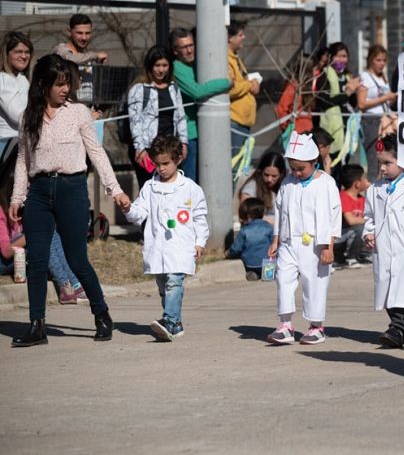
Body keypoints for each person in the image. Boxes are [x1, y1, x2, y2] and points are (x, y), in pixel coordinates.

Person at [10, 54, 130, 347]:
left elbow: (96, 153)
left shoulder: (78, 112)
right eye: (59, 84)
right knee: (37, 261)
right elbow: (24, 158)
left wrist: (115, 190)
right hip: (38, 192)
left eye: (68, 84)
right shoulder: (30, 115)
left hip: (71, 189)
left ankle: (101, 313)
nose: (65, 89)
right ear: (43, 84)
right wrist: (17, 196)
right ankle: (37, 325)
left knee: (77, 259)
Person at [123, 135, 208, 341]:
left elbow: (200, 217)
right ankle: (176, 324)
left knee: (174, 283)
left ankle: (169, 319)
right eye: (157, 164)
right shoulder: (150, 188)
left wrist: (199, 242)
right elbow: (139, 214)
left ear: (178, 159)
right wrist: (128, 208)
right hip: (158, 247)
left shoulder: (190, 188)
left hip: (181, 247)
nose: (161, 168)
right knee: (163, 286)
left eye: (165, 163)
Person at [266, 131, 341, 345]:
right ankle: (285, 324)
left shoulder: (325, 183)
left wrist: (329, 246)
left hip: (316, 244)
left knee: (314, 283)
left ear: (314, 161)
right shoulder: (287, 184)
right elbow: (280, 212)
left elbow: (332, 216)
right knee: (283, 279)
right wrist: (276, 239)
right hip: (289, 242)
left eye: (302, 169)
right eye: (293, 168)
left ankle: (316, 326)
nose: (297, 173)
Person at [363, 135, 404, 347]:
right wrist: (368, 233)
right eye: (380, 163)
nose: (382, 168)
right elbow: (369, 216)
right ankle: (401, 330)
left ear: (403, 162)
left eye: (388, 163)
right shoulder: (374, 189)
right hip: (384, 251)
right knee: (387, 292)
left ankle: (397, 329)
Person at [169, 27, 231, 182]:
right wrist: (226, 82)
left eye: (191, 45)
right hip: (189, 134)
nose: (189, 50)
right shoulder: (176, 68)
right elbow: (196, 91)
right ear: (175, 50)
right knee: (190, 179)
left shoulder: (198, 64)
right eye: (184, 47)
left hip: (206, 129)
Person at [127, 45, 188, 188]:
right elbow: (135, 121)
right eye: (157, 65)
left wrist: (184, 143)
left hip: (169, 148)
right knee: (150, 188)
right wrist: (140, 148)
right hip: (148, 149)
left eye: (165, 65)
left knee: (171, 188)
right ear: (150, 66)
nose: (161, 70)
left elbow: (180, 117)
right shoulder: (139, 89)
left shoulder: (174, 87)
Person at [316, 41, 360, 173]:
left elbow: (352, 103)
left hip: (347, 127)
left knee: (344, 166)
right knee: (332, 165)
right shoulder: (324, 75)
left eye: (344, 56)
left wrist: (353, 91)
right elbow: (325, 101)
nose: (342, 60)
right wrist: (346, 93)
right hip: (332, 128)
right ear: (331, 57)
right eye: (339, 56)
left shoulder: (347, 76)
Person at [357, 45, 397, 181]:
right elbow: (361, 104)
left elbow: (384, 103)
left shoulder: (383, 78)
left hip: (385, 120)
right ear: (370, 60)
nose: (382, 64)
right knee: (374, 159)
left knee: (386, 157)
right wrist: (385, 98)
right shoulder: (365, 77)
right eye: (378, 60)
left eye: (384, 60)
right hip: (371, 121)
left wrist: (391, 99)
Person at [52, 14, 108, 105]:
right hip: (67, 111)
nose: (84, 38)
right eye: (80, 33)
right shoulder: (61, 50)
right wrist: (95, 55)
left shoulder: (86, 57)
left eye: (87, 33)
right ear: (69, 32)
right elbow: (71, 59)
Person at [227, 20, 260, 159]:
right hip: (234, 121)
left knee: (241, 164)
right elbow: (230, 88)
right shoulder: (225, 59)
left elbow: (242, 81)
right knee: (233, 164)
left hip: (244, 121)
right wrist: (249, 84)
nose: (244, 38)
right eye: (240, 34)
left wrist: (254, 84)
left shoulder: (236, 58)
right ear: (230, 37)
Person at [0, 31, 33, 159]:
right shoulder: (3, 79)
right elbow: (19, 115)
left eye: (27, 52)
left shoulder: (21, 78)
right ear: (6, 54)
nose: (24, 56)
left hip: (19, 144)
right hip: (7, 146)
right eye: (18, 52)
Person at [226, 197, 273, 281]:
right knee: (271, 267)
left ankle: (254, 274)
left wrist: (229, 253)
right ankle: (268, 275)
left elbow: (236, 248)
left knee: (252, 269)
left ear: (248, 216)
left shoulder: (244, 230)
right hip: (268, 263)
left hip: (250, 264)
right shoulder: (268, 227)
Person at [334, 164, 370, 269]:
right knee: (360, 228)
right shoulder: (343, 196)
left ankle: (362, 255)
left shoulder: (361, 199)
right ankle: (351, 258)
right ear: (357, 184)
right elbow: (350, 220)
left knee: (367, 228)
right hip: (339, 238)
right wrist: (367, 221)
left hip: (350, 236)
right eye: (364, 179)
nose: (367, 182)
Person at [239, 152, 286, 225]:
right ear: (260, 171)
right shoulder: (251, 188)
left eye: (274, 176)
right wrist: (274, 220)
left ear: (281, 174)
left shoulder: (285, 186)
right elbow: (245, 214)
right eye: (266, 175)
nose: (269, 179)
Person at [274, 54, 316, 135]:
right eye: (314, 69)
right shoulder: (293, 87)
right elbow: (280, 108)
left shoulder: (306, 87)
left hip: (307, 131)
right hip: (297, 132)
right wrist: (287, 127)